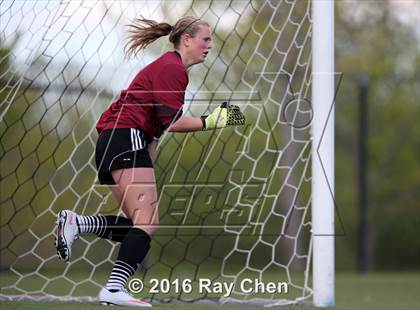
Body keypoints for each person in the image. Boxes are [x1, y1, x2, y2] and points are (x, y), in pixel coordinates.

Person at [54, 16, 245, 307]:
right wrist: (212, 120)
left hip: (116, 141)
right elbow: (174, 123)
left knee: (138, 225)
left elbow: (156, 129)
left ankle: (78, 223)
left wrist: (146, 161)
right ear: (187, 40)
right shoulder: (173, 69)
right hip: (124, 138)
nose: (209, 45)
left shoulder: (170, 69)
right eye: (205, 39)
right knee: (147, 222)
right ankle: (114, 289)